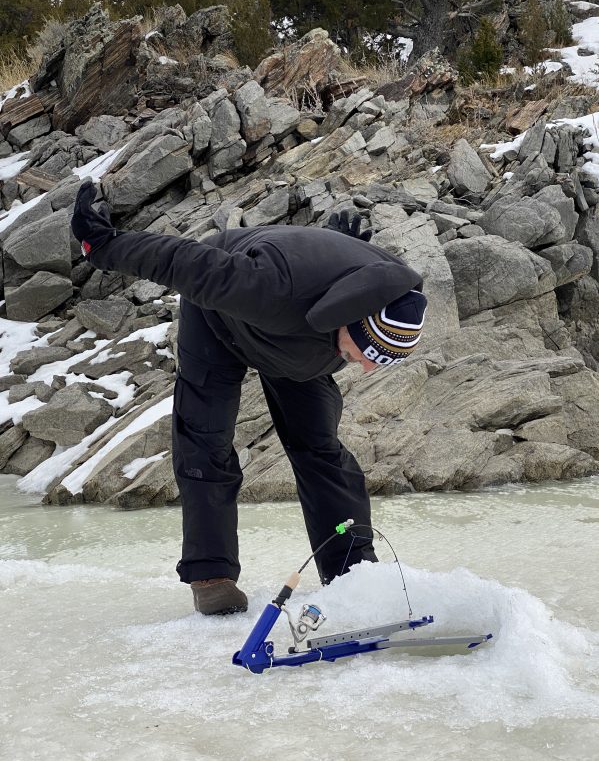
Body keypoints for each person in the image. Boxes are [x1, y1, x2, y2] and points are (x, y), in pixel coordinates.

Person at [71, 180, 427, 615]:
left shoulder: (376, 300)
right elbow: (183, 261)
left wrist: (341, 245)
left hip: (299, 347)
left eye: (380, 362)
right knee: (206, 440)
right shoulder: (266, 289)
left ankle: (352, 569)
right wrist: (103, 244)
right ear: (350, 320)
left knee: (320, 449)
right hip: (221, 319)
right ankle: (212, 576)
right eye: (367, 353)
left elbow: (345, 278)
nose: (368, 368)